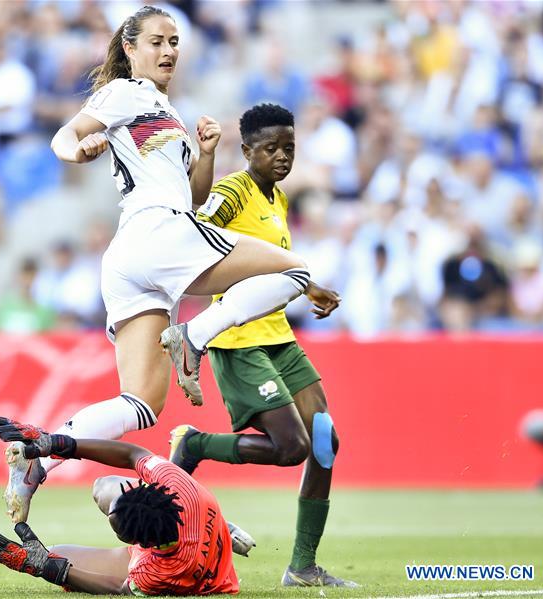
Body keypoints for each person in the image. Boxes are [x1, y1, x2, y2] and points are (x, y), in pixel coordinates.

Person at [4, 4, 311, 524]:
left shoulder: (167, 112)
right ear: (129, 48)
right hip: (156, 232)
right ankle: (196, 337)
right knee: (295, 272)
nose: (169, 50)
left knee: (142, 403)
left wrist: (207, 154)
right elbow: (65, 136)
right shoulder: (124, 93)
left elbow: (192, 201)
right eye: (157, 41)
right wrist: (79, 153)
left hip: (134, 253)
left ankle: (37, 458)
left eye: (174, 42)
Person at [169, 102, 357, 587]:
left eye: (289, 147)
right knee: (291, 447)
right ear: (247, 148)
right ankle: (195, 444)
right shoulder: (233, 190)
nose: (281, 156)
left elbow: (272, 262)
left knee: (324, 443)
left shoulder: (279, 200)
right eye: (270, 147)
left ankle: (303, 566)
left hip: (279, 335)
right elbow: (196, 224)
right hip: (238, 340)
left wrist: (308, 286)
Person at [0, 417, 240, 596]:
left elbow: (120, 589)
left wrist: (47, 569)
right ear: (149, 489)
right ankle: (219, 527)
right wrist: (58, 444)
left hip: (201, 575)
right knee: (104, 488)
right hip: (195, 518)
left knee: (54, 553)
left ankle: (218, 529)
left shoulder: (156, 572)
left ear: (140, 542)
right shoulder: (178, 485)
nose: (109, 519)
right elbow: (132, 455)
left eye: (117, 528)